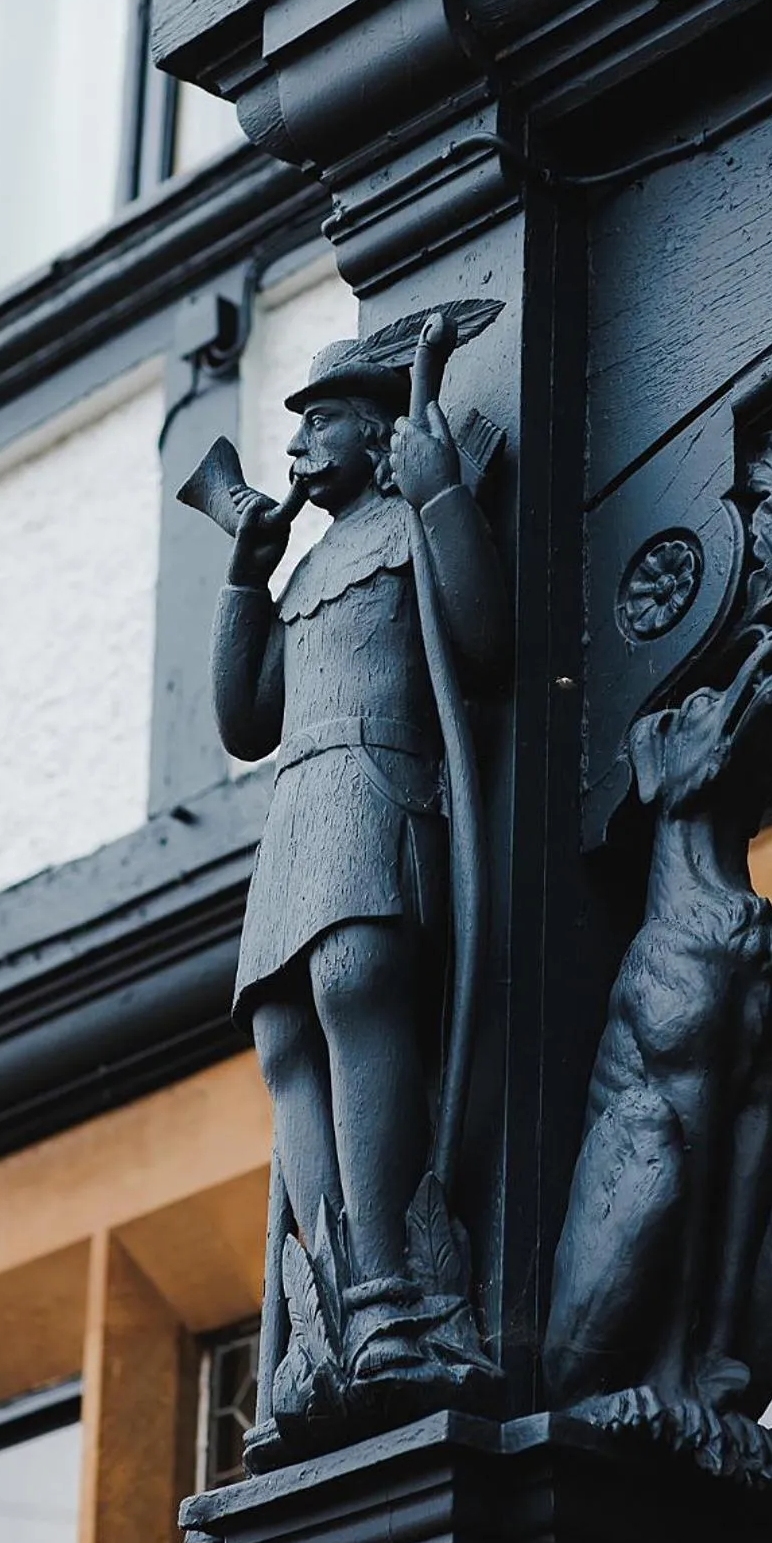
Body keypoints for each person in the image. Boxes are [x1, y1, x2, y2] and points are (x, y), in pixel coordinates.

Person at [210, 338, 505, 1384]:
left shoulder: (406, 517)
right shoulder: (311, 567)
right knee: (287, 1033)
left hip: (376, 784)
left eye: (318, 422)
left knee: (355, 987)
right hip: (299, 804)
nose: (294, 446)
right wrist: (247, 580)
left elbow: (483, 636)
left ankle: (389, 1292)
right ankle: (331, 1309)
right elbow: (247, 719)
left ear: (376, 432)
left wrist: (440, 500)